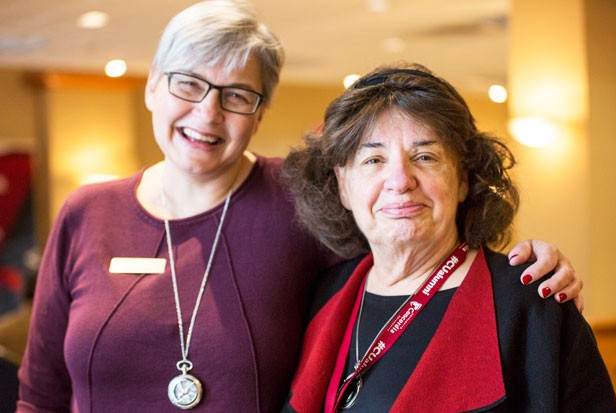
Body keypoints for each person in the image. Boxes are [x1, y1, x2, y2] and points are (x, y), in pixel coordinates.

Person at [17, 1, 584, 412]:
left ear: (260, 112)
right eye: (187, 84)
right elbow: (39, 394)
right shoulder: (86, 212)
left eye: (237, 95)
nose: (208, 114)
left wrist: (534, 266)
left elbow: (409, 238)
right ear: (151, 88)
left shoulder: (294, 205)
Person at [280, 63, 616, 412]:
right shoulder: (323, 294)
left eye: (424, 157)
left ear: (463, 180)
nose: (400, 180)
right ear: (343, 187)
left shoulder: (531, 306)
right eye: (373, 159)